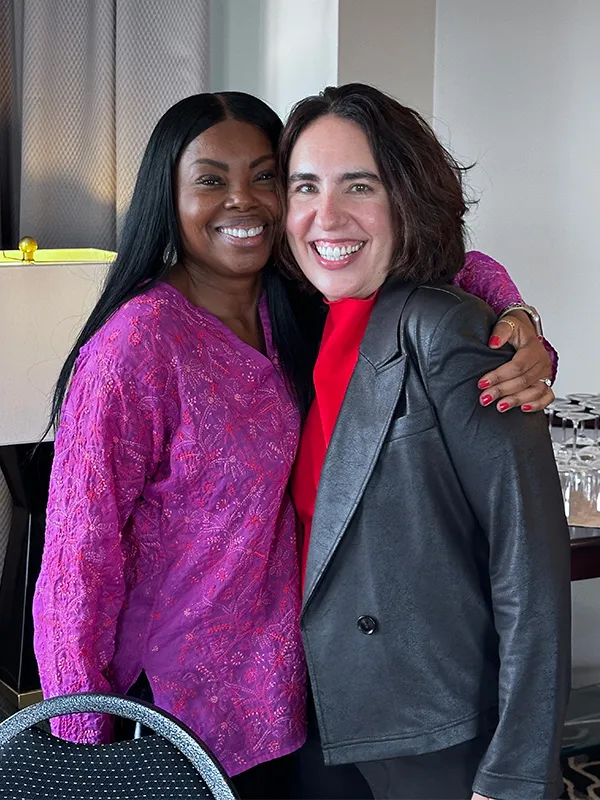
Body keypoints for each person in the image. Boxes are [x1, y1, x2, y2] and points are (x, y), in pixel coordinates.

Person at [32, 90, 557, 795]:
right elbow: (76, 563)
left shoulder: (300, 302)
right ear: (168, 195)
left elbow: (439, 263)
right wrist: (81, 753)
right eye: (212, 179)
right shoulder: (137, 347)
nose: (243, 201)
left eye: (268, 176)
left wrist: (516, 315)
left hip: (303, 704)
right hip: (179, 713)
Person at [281, 84, 570, 800]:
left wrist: (515, 773)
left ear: (407, 197)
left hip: (435, 730)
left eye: (360, 185)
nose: (326, 216)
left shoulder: (450, 331)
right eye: (305, 187)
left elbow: (529, 567)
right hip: (328, 718)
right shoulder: (316, 323)